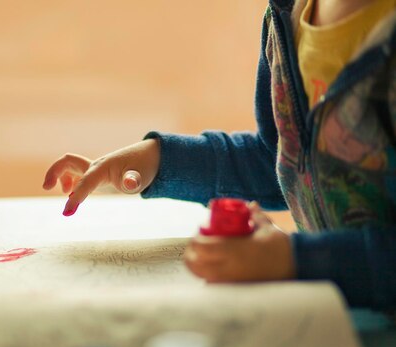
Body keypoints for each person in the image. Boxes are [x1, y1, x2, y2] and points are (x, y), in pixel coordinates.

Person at [42, 0, 396, 310]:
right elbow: (274, 161)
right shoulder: (288, 13)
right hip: (337, 328)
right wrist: (159, 161)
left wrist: (296, 261)